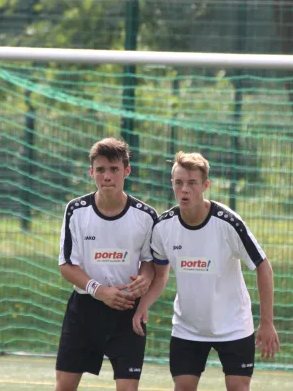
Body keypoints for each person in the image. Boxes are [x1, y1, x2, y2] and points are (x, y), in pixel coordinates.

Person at [132, 151, 280, 391]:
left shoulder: (228, 223)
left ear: (205, 185)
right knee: (183, 387)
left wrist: (267, 323)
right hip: (188, 327)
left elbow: (263, 267)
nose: (185, 190)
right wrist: (143, 305)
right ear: (172, 184)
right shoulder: (163, 228)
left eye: (192, 183)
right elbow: (160, 276)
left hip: (233, 325)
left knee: (238, 387)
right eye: (179, 183)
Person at [55, 137, 158, 391]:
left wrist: (145, 278)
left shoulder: (145, 216)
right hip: (84, 310)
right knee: (65, 386)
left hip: (127, 311)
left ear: (127, 171)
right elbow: (66, 265)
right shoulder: (76, 210)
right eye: (100, 170)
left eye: (114, 169)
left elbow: (150, 261)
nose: (107, 176)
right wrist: (100, 291)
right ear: (92, 172)